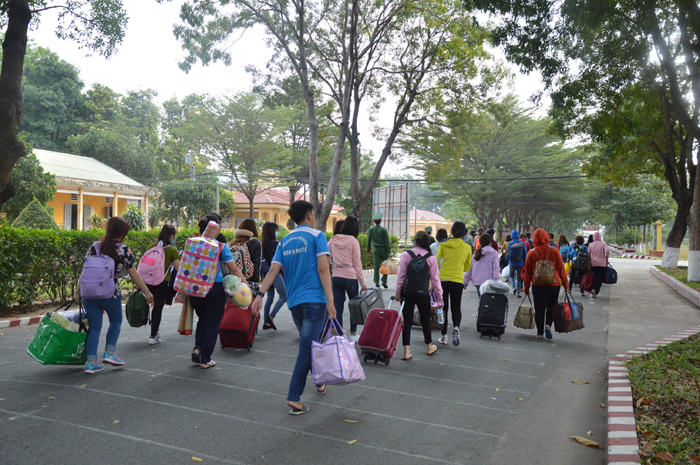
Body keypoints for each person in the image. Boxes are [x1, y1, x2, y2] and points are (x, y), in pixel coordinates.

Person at [251, 200, 336, 416]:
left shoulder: (285, 241)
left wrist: (260, 295)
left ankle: (319, 382)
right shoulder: (317, 236)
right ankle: (294, 397)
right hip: (315, 301)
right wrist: (331, 300)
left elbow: (273, 270)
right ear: (309, 215)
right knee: (308, 346)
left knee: (310, 344)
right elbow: (323, 269)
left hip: (295, 302)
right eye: (313, 214)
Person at [74, 217, 154, 374]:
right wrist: (147, 291)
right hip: (110, 294)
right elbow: (133, 273)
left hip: (89, 294)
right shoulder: (123, 249)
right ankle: (109, 352)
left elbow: (84, 271)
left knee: (94, 327)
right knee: (116, 320)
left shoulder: (95, 246)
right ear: (123, 233)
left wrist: (78, 292)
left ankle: (91, 363)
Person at [190, 215, 248, 369]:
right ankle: (206, 360)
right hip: (214, 288)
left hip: (195, 289)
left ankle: (198, 349)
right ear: (215, 227)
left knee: (203, 319)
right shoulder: (220, 246)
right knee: (211, 324)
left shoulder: (193, 243)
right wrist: (245, 284)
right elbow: (234, 269)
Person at [395, 230, 442, 360]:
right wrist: (440, 297)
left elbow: (401, 275)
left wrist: (398, 292)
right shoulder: (431, 258)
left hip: (407, 292)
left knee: (407, 321)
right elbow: (435, 280)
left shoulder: (406, 254)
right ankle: (429, 347)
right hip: (423, 293)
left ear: (415, 241)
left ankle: (406, 352)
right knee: (425, 320)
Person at [523, 229, 569, 340]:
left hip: (537, 284)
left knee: (539, 308)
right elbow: (561, 269)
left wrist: (526, 288)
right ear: (546, 237)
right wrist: (566, 285)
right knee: (552, 306)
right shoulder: (554, 250)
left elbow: (527, 272)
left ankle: (540, 333)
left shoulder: (531, 253)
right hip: (553, 284)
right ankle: (548, 325)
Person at [328, 216, 367, 340]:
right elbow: (357, 263)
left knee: (338, 307)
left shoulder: (332, 240)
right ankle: (353, 334)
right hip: (351, 278)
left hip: (336, 277)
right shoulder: (354, 241)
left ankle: (340, 335)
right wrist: (363, 282)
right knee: (354, 307)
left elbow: (326, 259)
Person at [435, 222, 472, 346]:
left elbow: (436, 262)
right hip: (457, 280)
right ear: (464, 232)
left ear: (451, 231)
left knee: (443, 307)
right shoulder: (467, 247)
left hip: (443, 279)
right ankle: (456, 327)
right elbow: (467, 266)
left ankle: (444, 336)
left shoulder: (443, 244)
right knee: (456, 307)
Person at [145, 224, 180, 345]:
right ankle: (153, 335)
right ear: (171, 236)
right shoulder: (172, 250)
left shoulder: (152, 246)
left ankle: (154, 330)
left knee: (153, 306)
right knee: (158, 308)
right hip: (162, 282)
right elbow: (177, 268)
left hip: (149, 281)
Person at [261, 222, 287, 330]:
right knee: (284, 295)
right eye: (276, 230)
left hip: (266, 273)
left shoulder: (264, 243)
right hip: (275, 273)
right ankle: (271, 317)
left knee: (270, 297)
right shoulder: (275, 243)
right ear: (272, 231)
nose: (277, 232)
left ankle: (266, 322)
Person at [463, 233, 500, 300]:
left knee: (481, 300)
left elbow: (470, 269)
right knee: (489, 301)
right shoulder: (494, 253)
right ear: (490, 242)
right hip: (489, 282)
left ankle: (481, 307)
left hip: (478, 281)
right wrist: (496, 282)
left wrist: (465, 282)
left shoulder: (476, 253)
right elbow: (496, 268)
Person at [366, 212, 391, 289]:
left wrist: (369, 250)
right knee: (385, 265)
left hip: (376, 250)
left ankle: (377, 282)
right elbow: (387, 242)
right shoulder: (383, 230)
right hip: (384, 250)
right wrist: (389, 252)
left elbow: (368, 241)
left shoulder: (371, 230)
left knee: (376, 266)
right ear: (381, 220)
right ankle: (384, 281)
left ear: (374, 221)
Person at [236, 218, 262, 286]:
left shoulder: (234, 241)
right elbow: (257, 263)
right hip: (249, 277)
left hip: (235, 275)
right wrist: (256, 281)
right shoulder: (256, 242)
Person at [588, 232, 610, 298]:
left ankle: (593, 289)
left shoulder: (591, 245)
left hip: (593, 264)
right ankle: (596, 292)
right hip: (602, 264)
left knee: (594, 277)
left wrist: (589, 262)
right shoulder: (603, 244)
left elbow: (589, 254)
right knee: (599, 279)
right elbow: (607, 251)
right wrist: (606, 258)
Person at [507, 230, 527, 298]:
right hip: (520, 263)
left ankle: (514, 287)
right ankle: (518, 293)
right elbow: (525, 253)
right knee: (519, 278)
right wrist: (525, 262)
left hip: (512, 262)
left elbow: (508, 253)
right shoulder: (522, 243)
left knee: (511, 276)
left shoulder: (509, 243)